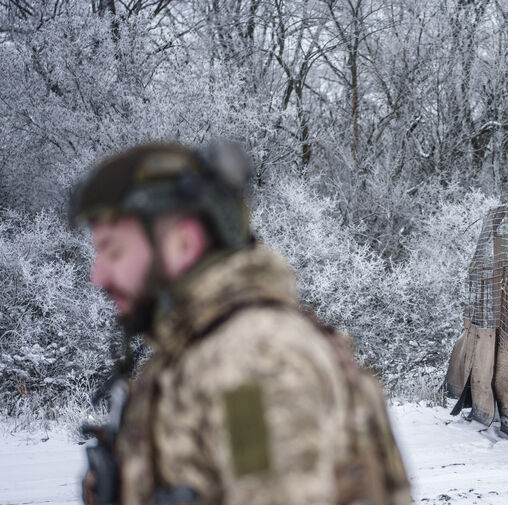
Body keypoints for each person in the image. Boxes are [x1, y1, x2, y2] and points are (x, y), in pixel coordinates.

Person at [69, 143, 411, 505]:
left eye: (114, 251)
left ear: (183, 244)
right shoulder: (193, 355)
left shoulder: (254, 360)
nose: (98, 275)